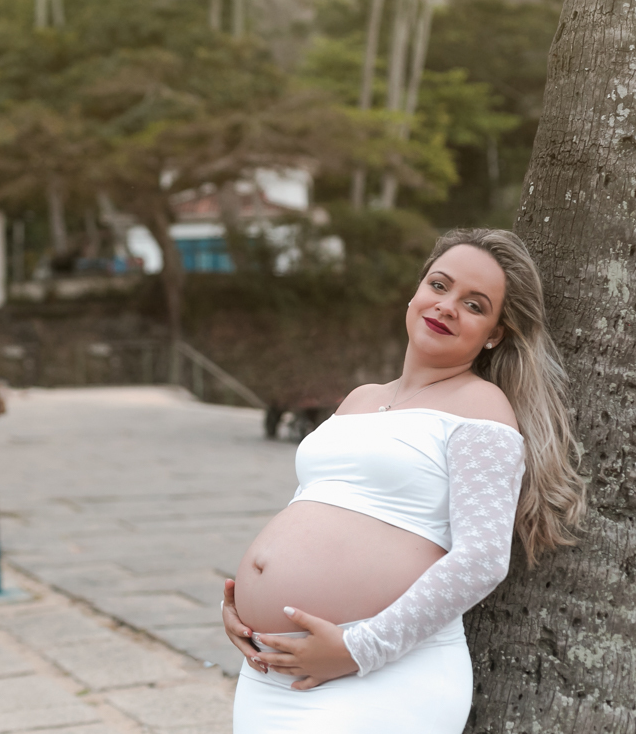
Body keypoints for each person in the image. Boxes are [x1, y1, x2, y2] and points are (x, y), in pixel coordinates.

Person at [222, 228, 586, 733]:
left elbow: (482, 560)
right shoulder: (360, 397)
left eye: (475, 305)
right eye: (439, 285)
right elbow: (315, 504)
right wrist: (242, 605)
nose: (447, 306)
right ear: (417, 292)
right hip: (270, 670)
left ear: (496, 333)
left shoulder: (481, 406)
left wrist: (357, 651)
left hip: (379, 674)